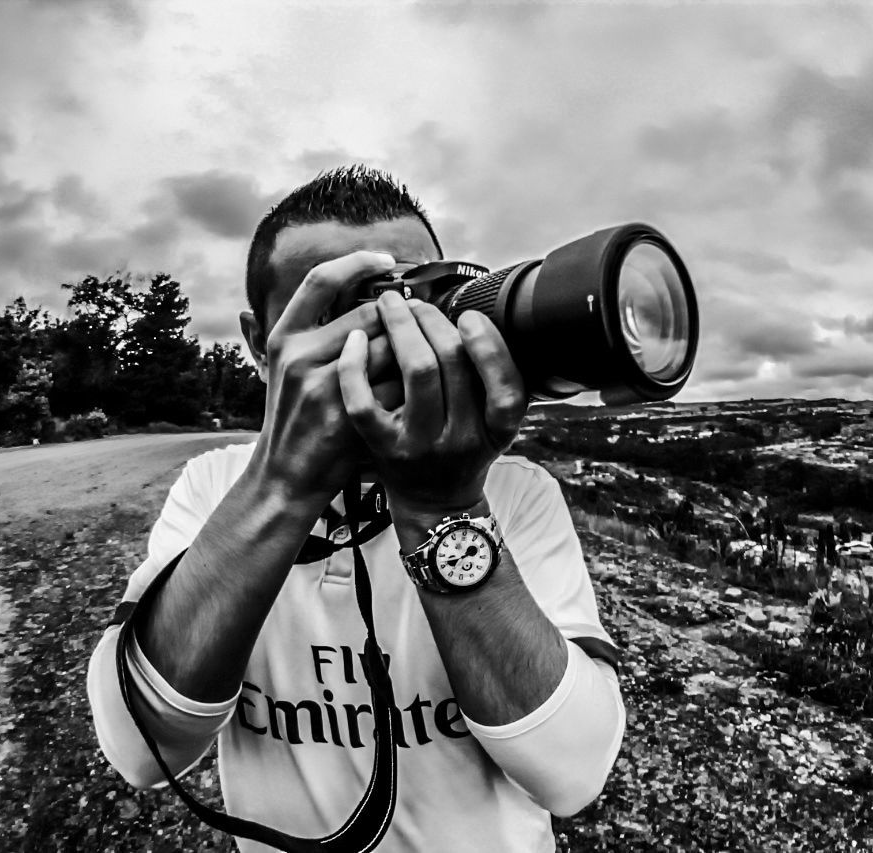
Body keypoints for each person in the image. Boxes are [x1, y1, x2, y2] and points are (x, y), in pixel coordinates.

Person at [86, 166, 626, 852]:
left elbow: (573, 774)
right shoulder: (216, 485)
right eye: (350, 310)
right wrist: (282, 485)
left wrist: (443, 507)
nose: (399, 339)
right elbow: (140, 748)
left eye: (421, 298)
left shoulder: (515, 491)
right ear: (260, 344)